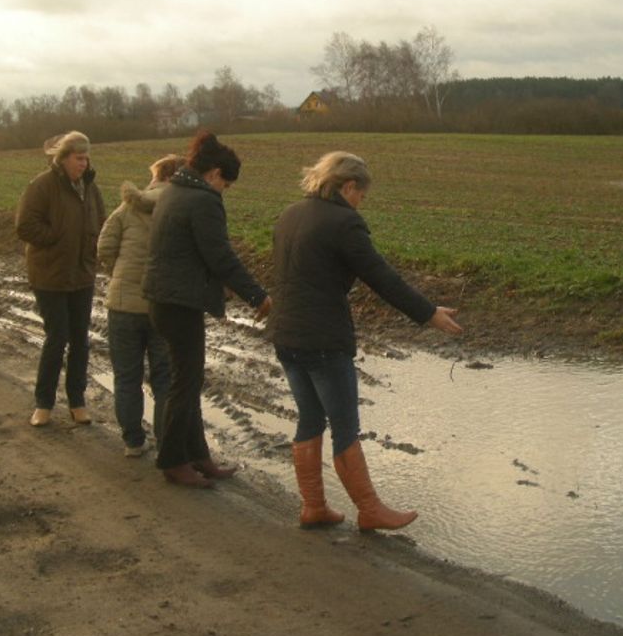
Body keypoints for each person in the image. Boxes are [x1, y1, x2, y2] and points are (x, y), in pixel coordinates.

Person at [268, 151, 462, 531]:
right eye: (362, 195)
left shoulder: (290, 214)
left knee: (309, 419)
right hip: (323, 337)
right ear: (349, 185)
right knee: (344, 426)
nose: (361, 203)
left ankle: (313, 506)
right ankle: (369, 510)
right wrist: (428, 313)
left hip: (285, 335)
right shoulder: (344, 223)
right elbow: (381, 277)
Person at [142, 130, 271, 488]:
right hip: (180, 303)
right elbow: (220, 257)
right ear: (215, 174)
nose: (224, 192)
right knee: (186, 383)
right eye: (226, 185)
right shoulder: (203, 201)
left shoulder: (174, 191)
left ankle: (197, 455)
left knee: (189, 379)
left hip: (163, 299)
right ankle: (173, 460)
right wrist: (257, 295)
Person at [15, 131, 106, 427]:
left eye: (86, 158)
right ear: (64, 158)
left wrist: (93, 249)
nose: (84, 163)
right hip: (50, 275)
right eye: (79, 158)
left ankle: (77, 402)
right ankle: (43, 404)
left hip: (82, 273)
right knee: (58, 338)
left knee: (81, 339)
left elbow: (102, 224)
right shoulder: (42, 186)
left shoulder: (90, 188)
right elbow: (26, 226)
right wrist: (56, 238)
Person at [97, 154, 184, 457]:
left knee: (127, 376)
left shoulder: (125, 208)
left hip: (122, 306)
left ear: (156, 175)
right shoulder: (177, 209)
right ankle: (165, 442)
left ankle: (133, 441)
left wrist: (118, 274)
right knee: (164, 378)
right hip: (161, 306)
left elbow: (104, 247)